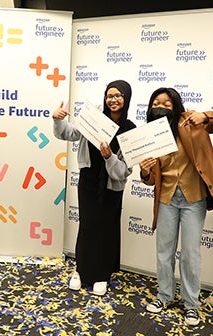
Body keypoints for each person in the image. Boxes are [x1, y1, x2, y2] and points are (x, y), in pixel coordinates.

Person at [139, 87, 213, 326]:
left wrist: (207, 116)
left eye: (167, 103)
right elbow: (150, 179)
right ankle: (164, 296)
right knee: (164, 251)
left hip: (194, 199)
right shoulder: (150, 134)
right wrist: (145, 171)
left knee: (190, 254)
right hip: (166, 199)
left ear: (176, 104)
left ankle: (191, 305)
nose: (161, 106)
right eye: (156, 102)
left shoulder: (192, 121)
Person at [53, 80, 136, 296]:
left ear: (126, 98)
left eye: (118, 95)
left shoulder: (130, 129)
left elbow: (122, 172)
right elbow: (67, 134)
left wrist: (109, 158)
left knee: (106, 229)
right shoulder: (94, 118)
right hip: (89, 181)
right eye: (110, 96)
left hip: (112, 185)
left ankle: (101, 275)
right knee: (87, 226)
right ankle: (81, 270)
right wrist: (58, 120)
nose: (113, 100)